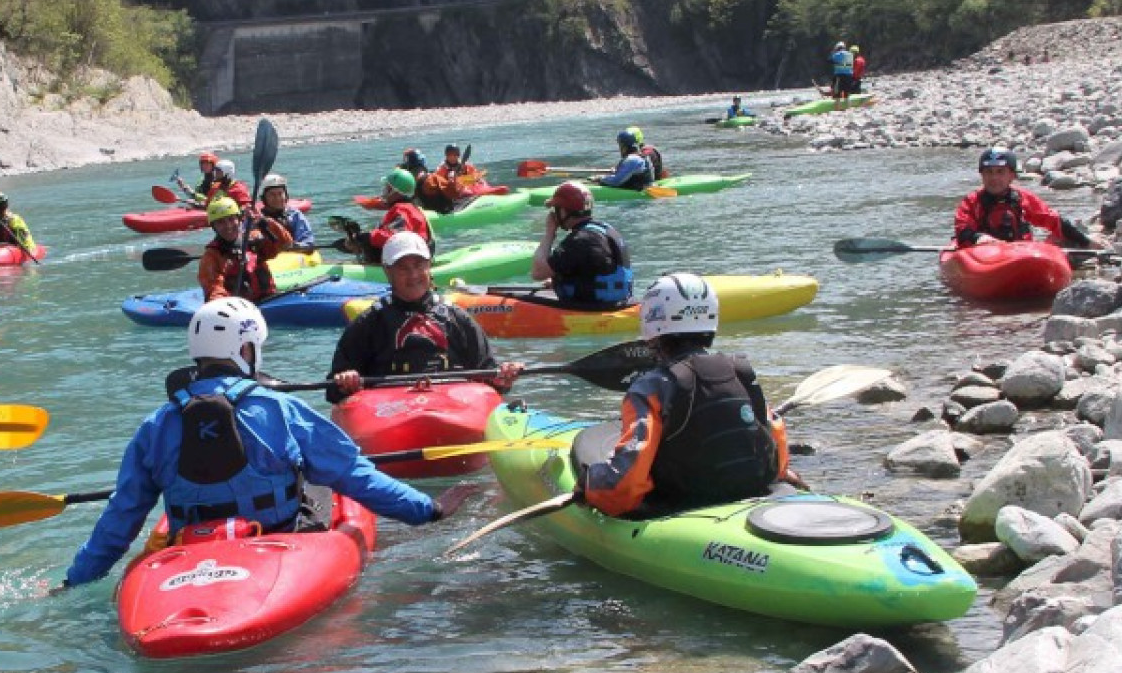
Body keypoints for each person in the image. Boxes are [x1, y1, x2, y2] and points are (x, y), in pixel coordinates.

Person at [61, 297, 476, 587]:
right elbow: (353, 476)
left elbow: (122, 515)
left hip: (191, 552)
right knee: (318, 485)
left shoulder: (156, 424)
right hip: (277, 543)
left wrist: (76, 579)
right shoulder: (280, 409)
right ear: (245, 350)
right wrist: (428, 509)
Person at [577, 274, 796, 519]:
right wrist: (782, 474)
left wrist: (590, 483)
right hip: (755, 492)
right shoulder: (740, 371)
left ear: (652, 319)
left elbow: (624, 489)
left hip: (685, 504)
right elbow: (775, 436)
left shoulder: (651, 387)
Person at [328, 232, 522, 403]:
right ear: (387, 271)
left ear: (429, 266)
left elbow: (489, 375)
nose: (413, 275)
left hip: (452, 406)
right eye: (403, 268)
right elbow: (333, 391)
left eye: (419, 265)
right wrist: (346, 381)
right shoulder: (368, 323)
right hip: (389, 410)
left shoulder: (457, 319)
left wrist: (502, 377)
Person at [953, 146, 1102, 249]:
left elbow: (1054, 221)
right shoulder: (971, 202)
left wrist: (1086, 241)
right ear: (982, 175)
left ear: (1012, 176)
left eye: (1000, 172)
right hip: (983, 252)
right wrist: (978, 238)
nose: (994, 178)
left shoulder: (1022, 198)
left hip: (1020, 251)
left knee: (1058, 239)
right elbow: (962, 229)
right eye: (989, 172)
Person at [531, 182, 633, 310]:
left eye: (556, 209)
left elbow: (538, 273)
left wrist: (549, 233)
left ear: (564, 211)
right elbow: (598, 269)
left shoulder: (579, 240)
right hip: (617, 303)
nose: (554, 214)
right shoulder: (605, 230)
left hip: (594, 309)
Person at [198, 195, 293, 302]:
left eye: (231, 219)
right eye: (221, 222)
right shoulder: (211, 257)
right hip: (239, 308)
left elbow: (286, 243)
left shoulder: (253, 239)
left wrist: (264, 222)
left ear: (239, 220)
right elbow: (214, 291)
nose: (228, 226)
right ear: (214, 227)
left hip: (269, 301)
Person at [344, 169, 433, 264]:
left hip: (413, 260)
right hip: (415, 255)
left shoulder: (403, 210)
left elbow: (395, 238)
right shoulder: (407, 207)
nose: (384, 191)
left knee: (368, 240)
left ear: (395, 192)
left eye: (387, 188)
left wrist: (366, 237)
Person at [257, 173, 314, 251]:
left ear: (286, 195)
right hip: (265, 254)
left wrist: (297, 246)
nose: (277, 198)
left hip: (291, 254)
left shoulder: (295, 215)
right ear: (264, 198)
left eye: (280, 193)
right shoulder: (257, 217)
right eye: (272, 194)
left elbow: (307, 241)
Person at [417, 144, 481, 214]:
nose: (452, 157)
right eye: (450, 155)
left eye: (455, 155)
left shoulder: (466, 166)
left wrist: (464, 174)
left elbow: (476, 178)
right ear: (446, 156)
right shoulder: (441, 169)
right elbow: (439, 184)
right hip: (450, 194)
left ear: (458, 155)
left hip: (467, 190)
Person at [829, 41, 855, 106]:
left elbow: (830, 60)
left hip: (839, 76)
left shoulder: (836, 55)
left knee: (837, 94)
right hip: (849, 76)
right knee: (847, 94)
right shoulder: (850, 54)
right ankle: (849, 107)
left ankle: (837, 107)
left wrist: (833, 53)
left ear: (837, 48)